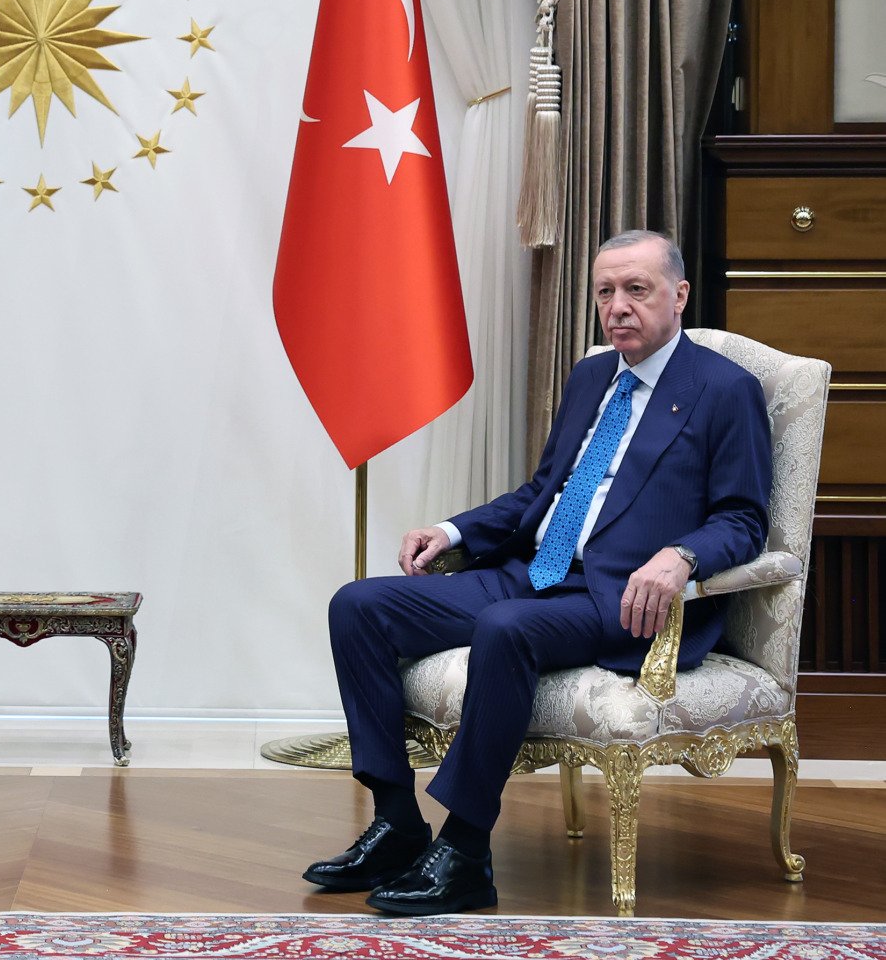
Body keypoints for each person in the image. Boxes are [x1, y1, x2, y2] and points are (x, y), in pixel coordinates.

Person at [303, 230, 771, 915]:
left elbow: (743, 518)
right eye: (605, 292)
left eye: (636, 290)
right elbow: (542, 493)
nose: (617, 307)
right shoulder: (591, 378)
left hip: (618, 596)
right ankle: (396, 821)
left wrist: (682, 556)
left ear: (679, 295)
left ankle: (465, 850)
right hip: (533, 572)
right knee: (359, 606)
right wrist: (452, 530)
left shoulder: (725, 391)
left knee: (505, 627)